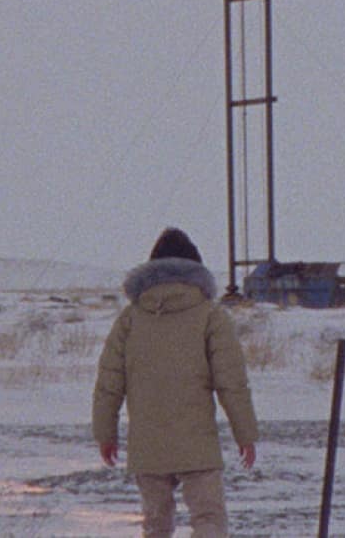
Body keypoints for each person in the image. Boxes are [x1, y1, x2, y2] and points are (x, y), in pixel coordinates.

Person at [93, 227, 258, 537]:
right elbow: (231, 382)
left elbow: (108, 384)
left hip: (147, 444)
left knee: (155, 525)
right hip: (197, 443)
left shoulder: (129, 319)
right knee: (209, 520)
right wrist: (245, 434)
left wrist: (105, 433)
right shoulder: (211, 316)